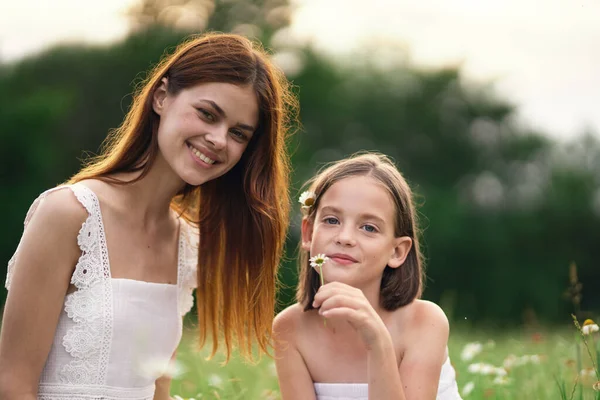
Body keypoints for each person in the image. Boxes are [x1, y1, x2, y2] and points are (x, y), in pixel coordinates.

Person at [0, 32, 296, 400]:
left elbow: (158, 389)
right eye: (207, 114)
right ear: (161, 97)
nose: (219, 139)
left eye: (238, 133)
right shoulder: (69, 213)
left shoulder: (189, 244)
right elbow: (12, 386)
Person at [273, 153, 461, 400]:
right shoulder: (290, 328)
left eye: (369, 228)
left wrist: (378, 341)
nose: (345, 237)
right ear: (308, 233)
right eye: (331, 220)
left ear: (397, 251)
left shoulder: (423, 322)